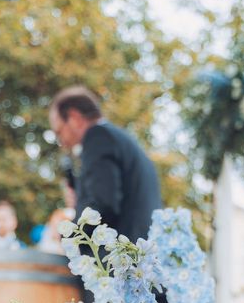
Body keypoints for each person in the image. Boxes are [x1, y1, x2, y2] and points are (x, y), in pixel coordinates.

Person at [49, 86, 162, 242]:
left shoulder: (98, 137)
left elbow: (103, 205)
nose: (61, 142)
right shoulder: (118, 139)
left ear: (74, 118)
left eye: (59, 132)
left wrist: (67, 234)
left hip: (121, 258)